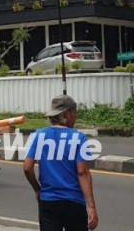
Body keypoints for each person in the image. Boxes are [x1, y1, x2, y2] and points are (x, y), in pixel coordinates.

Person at [23, 95, 98, 231]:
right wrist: (91, 206)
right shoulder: (78, 137)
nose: (75, 117)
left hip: (48, 201)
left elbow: (27, 168)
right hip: (74, 202)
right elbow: (83, 173)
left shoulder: (39, 135)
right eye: (74, 112)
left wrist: (37, 189)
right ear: (66, 114)